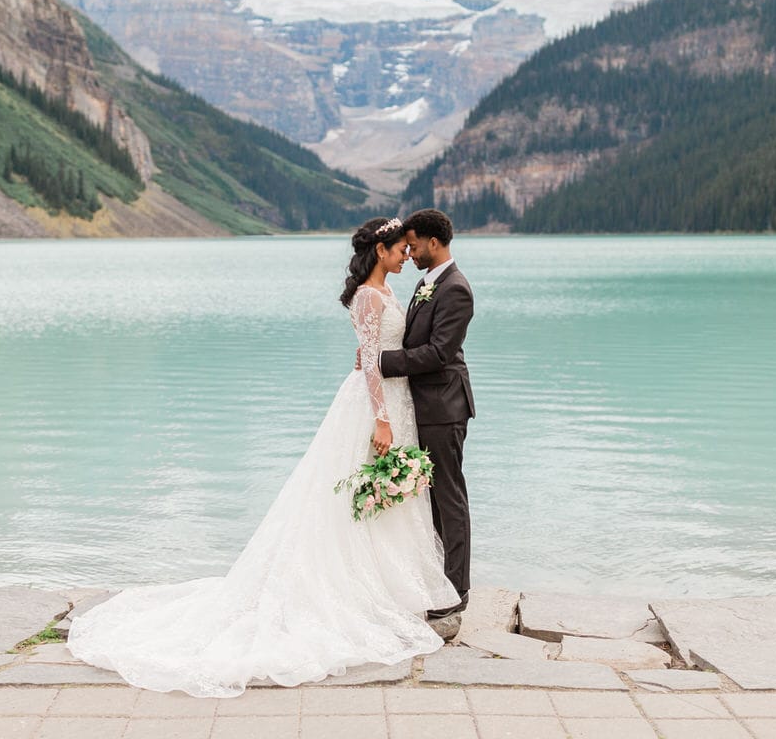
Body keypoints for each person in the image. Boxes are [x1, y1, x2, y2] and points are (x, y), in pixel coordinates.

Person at [67, 216, 459, 698]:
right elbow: (371, 362)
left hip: (401, 402)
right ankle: (360, 594)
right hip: (378, 407)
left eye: (409, 247)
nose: (406, 253)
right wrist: (381, 418)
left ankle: (390, 590)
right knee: (362, 494)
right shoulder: (368, 297)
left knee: (383, 502)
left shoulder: (394, 291)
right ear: (381, 250)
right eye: (401, 247)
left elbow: (386, 354)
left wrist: (382, 380)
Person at [377, 208, 476, 617]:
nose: (410, 252)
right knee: (431, 501)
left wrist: (384, 362)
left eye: (414, 246)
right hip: (424, 405)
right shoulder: (426, 283)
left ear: (434, 243)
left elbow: (439, 353)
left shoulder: (455, 289)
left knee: (449, 498)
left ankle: (457, 592)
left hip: (444, 407)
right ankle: (437, 580)